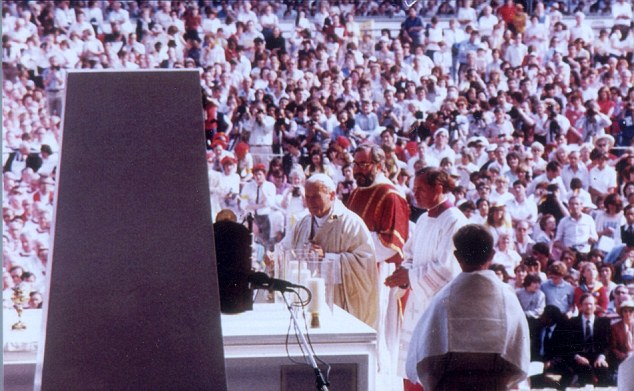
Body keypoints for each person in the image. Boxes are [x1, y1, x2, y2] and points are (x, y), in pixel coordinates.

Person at [405, 224, 530, 390]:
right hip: (493, 385)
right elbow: (517, 358)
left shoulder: (443, 299)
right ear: (492, 255)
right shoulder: (507, 297)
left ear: (457, 256)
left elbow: (426, 360)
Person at [385, 166, 468, 391]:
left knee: (432, 373)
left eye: (420, 189)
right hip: (417, 305)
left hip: (439, 308)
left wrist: (410, 276)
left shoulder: (454, 221)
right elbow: (410, 253)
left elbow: (448, 269)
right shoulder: (423, 219)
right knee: (411, 369)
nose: (415, 194)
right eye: (414, 189)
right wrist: (404, 274)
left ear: (438, 188)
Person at [346, 144, 410, 389]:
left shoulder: (391, 196)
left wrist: (352, 246)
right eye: (355, 164)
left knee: (378, 328)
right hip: (353, 268)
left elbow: (390, 245)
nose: (358, 170)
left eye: (363, 164)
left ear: (379, 165)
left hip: (380, 273)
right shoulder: (355, 192)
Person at [279, 174, 378, 328]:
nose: (310, 202)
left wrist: (327, 258)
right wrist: (274, 257)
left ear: (331, 195)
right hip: (306, 300)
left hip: (338, 302)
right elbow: (285, 248)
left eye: (316, 197)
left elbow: (365, 263)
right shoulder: (303, 224)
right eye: (307, 197)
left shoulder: (351, 224)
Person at [564, 293, 612, 387]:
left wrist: (601, 357)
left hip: (597, 357)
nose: (589, 306)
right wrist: (577, 357)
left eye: (591, 304)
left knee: (603, 369)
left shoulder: (604, 322)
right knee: (583, 372)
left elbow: (607, 344)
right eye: (586, 304)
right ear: (581, 306)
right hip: (579, 358)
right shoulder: (572, 322)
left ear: (595, 306)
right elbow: (567, 345)